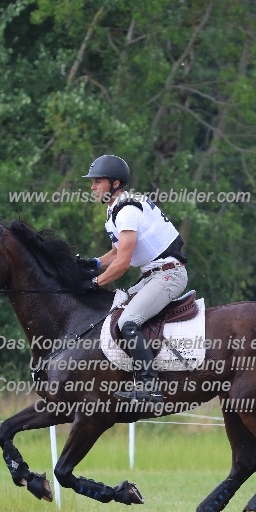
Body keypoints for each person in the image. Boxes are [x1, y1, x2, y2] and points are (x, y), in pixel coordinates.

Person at [79, 154, 188, 403]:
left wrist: (95, 282)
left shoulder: (126, 210)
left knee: (127, 322)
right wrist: (94, 263)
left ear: (115, 184)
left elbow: (123, 263)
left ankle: (150, 385)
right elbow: (117, 252)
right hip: (154, 275)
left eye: (98, 181)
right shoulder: (118, 208)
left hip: (168, 275)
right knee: (114, 313)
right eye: (92, 182)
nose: (92, 187)